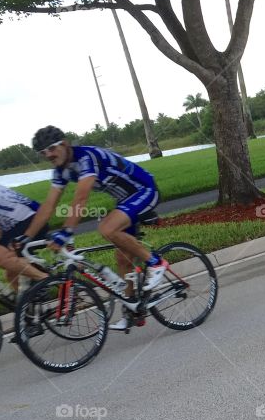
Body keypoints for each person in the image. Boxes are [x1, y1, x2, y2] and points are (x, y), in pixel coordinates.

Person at [24, 126, 165, 331]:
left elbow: (81, 197)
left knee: (107, 228)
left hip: (145, 190)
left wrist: (66, 232)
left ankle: (156, 263)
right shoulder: (61, 170)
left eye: (50, 150)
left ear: (64, 144)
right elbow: (49, 205)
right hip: (125, 200)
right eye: (42, 153)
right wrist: (26, 238)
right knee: (122, 258)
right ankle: (133, 310)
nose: (48, 155)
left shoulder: (86, 157)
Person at [0, 181, 48, 296]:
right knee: (12, 275)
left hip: (30, 221)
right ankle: (26, 308)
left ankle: (45, 279)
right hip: (26, 219)